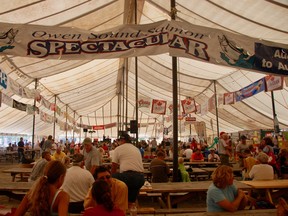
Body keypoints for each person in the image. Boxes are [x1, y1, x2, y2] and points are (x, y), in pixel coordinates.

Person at [111, 133, 145, 206]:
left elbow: (114, 166)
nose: (118, 142)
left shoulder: (118, 149)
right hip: (140, 178)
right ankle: (131, 204)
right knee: (131, 198)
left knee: (110, 179)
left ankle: (114, 204)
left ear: (122, 140)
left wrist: (110, 178)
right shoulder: (136, 149)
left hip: (127, 177)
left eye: (119, 140)